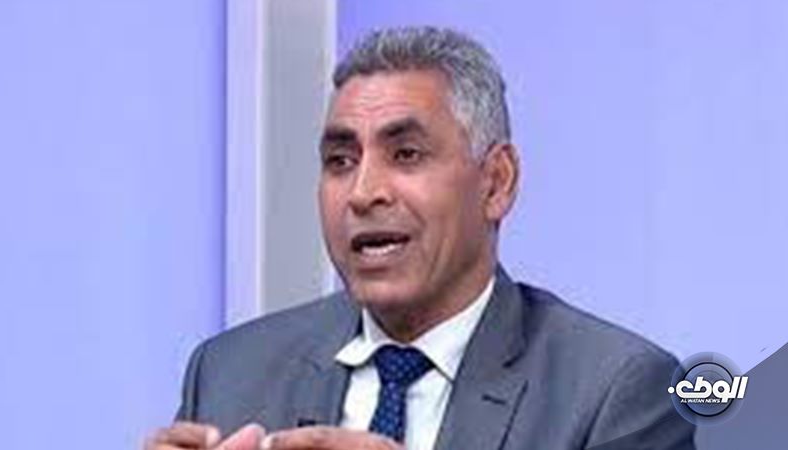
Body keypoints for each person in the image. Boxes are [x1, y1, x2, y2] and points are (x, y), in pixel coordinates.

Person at [146, 27, 695, 450]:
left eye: (406, 154)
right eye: (340, 160)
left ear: (496, 182)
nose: (363, 192)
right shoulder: (232, 370)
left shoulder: (615, 392)